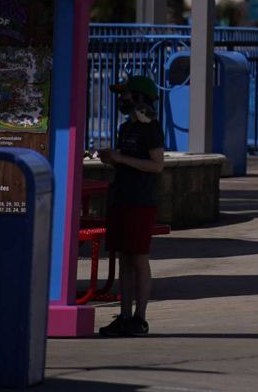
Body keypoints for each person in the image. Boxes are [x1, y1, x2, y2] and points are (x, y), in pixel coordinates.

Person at [97, 75, 166, 337]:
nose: (121, 99)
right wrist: (112, 159)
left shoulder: (151, 128)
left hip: (140, 201)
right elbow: (126, 161)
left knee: (138, 258)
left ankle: (140, 318)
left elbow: (157, 165)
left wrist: (121, 158)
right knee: (123, 258)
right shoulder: (126, 128)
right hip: (122, 197)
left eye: (126, 95)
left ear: (139, 98)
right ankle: (124, 316)